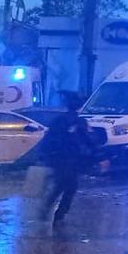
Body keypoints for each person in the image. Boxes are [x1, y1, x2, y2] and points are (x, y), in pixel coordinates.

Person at [41, 91, 93, 224]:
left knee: (61, 186)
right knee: (70, 187)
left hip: (60, 160)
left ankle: (48, 211)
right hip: (68, 160)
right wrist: (99, 153)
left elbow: (47, 140)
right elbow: (87, 141)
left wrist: (45, 157)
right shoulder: (78, 122)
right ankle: (58, 215)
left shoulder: (59, 121)